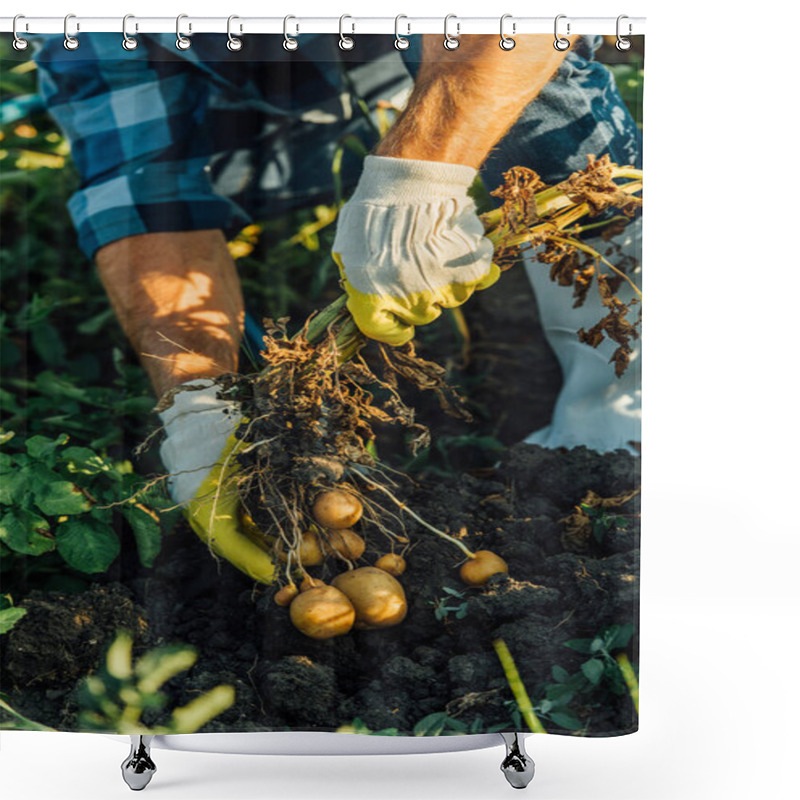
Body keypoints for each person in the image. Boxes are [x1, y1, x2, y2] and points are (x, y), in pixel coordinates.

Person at [32, 31, 642, 583]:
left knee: (543, 107)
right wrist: (196, 401)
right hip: (271, 109)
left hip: (423, 47)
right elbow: (143, 192)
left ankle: (620, 410)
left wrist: (418, 178)